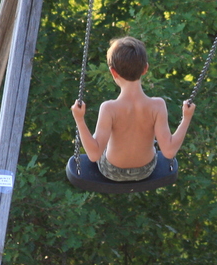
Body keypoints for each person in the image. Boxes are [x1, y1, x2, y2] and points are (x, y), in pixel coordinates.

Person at [71, 36, 195, 182]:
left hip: (111, 171)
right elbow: (169, 152)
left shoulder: (109, 108)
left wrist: (79, 119)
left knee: (102, 143)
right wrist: (186, 118)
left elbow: (94, 155)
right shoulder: (157, 105)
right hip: (146, 170)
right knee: (153, 144)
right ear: (145, 68)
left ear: (113, 72)